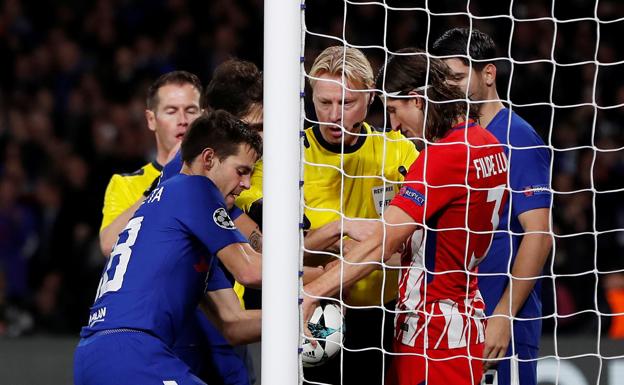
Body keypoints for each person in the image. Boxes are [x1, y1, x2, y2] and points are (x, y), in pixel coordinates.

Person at [303, 48, 509, 385]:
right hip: (466, 317)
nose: (394, 125)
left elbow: (383, 243)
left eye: (395, 111)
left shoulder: (441, 158)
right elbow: (435, 229)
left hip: (431, 330)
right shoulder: (488, 144)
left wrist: (312, 293)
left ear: (416, 100)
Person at [74, 110, 264, 385]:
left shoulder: (172, 228)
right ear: (208, 159)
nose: (246, 184)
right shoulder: (196, 187)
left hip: (98, 354)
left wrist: (298, 314)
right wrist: (331, 279)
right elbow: (250, 271)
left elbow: (233, 324)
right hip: (133, 353)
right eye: (241, 171)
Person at [432, 28, 553, 385]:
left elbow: (539, 235)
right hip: (454, 322)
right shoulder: (447, 140)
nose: (448, 89)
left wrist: (503, 316)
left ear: (488, 74)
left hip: (501, 328)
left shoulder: (518, 137)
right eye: (442, 80)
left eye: (456, 77)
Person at [302, 46, 418, 385]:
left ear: (369, 98)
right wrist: (343, 230)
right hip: (318, 314)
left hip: (388, 315)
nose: (334, 114)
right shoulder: (292, 156)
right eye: (324, 103)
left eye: (346, 103)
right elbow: (273, 254)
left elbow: (417, 242)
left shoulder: (400, 151)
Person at [99, 70, 203, 257]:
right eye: (171, 111)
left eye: (191, 110)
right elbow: (109, 245)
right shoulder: (125, 184)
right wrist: (163, 180)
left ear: (203, 117)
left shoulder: (227, 177)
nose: (183, 121)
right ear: (151, 120)